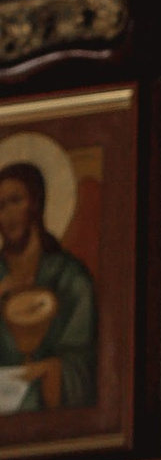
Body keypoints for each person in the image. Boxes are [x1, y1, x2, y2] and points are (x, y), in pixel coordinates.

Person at [0, 161, 98, 416]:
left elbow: (83, 360)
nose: (7, 215)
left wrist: (49, 370)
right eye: (0, 206)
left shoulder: (69, 277)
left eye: (16, 201)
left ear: (35, 203)